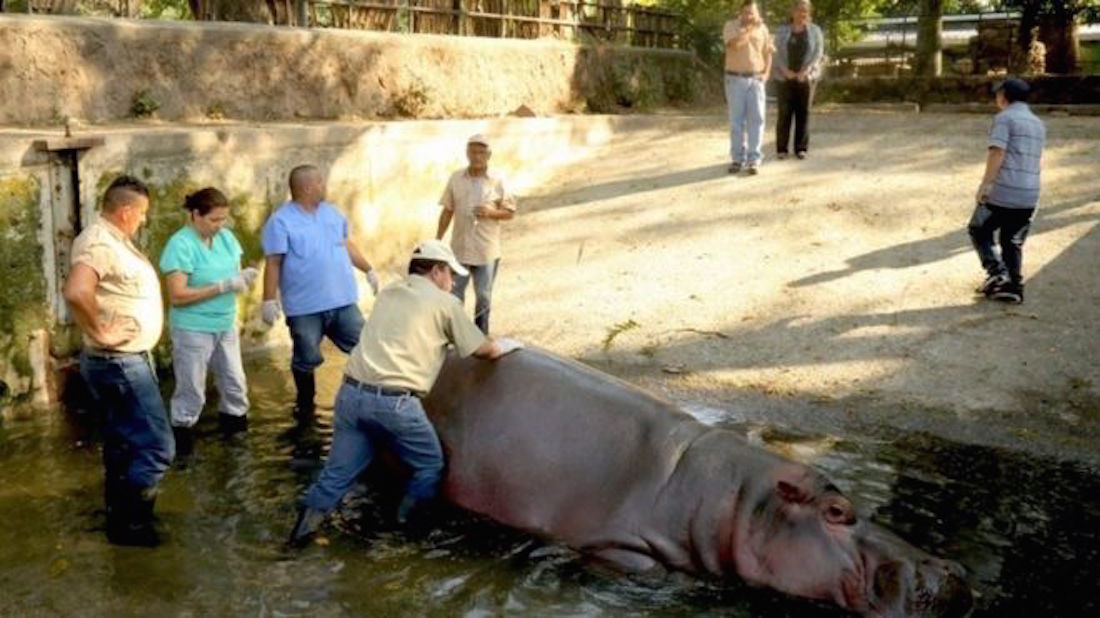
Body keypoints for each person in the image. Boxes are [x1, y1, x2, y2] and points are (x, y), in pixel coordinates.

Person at [288, 240, 523, 546]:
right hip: (394, 404)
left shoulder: (389, 293)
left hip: (350, 396)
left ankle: (295, 542)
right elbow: (484, 350)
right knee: (429, 465)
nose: (452, 282)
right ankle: (405, 533)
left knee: (334, 478)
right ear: (437, 271)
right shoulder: (445, 304)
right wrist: (509, 344)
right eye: (451, 274)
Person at [62, 175, 174, 546]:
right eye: (141, 214)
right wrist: (102, 331)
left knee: (123, 443)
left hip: (119, 360)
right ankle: (133, 523)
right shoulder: (98, 242)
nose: (143, 220)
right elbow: (77, 291)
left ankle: (117, 521)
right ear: (125, 211)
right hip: (119, 361)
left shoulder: (114, 239)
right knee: (158, 446)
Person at [261, 165, 381, 418]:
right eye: (320, 183)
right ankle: (305, 404)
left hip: (342, 301)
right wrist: (269, 300)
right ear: (307, 188)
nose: (324, 186)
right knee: (306, 358)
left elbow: (346, 244)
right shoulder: (281, 221)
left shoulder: (333, 214)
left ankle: (373, 398)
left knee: (366, 348)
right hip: (304, 307)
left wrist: (368, 269)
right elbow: (274, 262)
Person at [159, 188, 258, 457]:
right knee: (192, 391)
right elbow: (177, 296)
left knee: (235, 384)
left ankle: (236, 445)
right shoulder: (181, 244)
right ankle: (183, 447)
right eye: (214, 220)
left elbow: (233, 275)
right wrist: (222, 286)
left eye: (224, 219)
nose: (220, 225)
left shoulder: (227, 239)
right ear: (195, 215)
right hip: (193, 328)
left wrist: (243, 278)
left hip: (225, 324)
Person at [968, 78, 1045, 304]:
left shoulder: (1004, 119)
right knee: (1012, 240)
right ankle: (1014, 286)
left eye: (997, 94)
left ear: (1004, 96)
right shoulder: (1037, 123)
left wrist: (986, 185)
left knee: (978, 228)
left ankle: (997, 272)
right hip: (1029, 193)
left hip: (1004, 191)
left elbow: (997, 152)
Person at [435, 134, 517, 334]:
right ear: (466, 153)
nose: (477, 156)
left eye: (481, 152)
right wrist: (437, 239)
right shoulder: (456, 178)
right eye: (473, 151)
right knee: (453, 295)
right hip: (459, 250)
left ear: (489, 155)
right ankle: (456, 336)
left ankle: (480, 337)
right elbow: (447, 210)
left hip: (486, 251)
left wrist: (490, 213)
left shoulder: (498, 180)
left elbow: (510, 212)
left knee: (483, 296)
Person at [723, 0, 773, 175]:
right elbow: (734, 45)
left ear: (757, 13)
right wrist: (750, 29)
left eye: (752, 12)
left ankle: (754, 159)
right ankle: (737, 159)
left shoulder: (764, 29)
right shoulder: (730, 26)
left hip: (756, 79)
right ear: (740, 13)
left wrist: (766, 74)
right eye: (746, 12)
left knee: (757, 121)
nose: (749, 16)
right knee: (737, 122)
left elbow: (768, 52)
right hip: (735, 79)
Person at [772, 0, 824, 160]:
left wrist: (806, 71)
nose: (802, 14)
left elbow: (818, 53)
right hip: (784, 76)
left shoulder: (815, 31)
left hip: (806, 77)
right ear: (792, 12)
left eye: (805, 11)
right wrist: (785, 70)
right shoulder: (781, 31)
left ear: (809, 13)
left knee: (804, 113)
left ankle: (801, 148)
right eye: (799, 10)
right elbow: (774, 53)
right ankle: (782, 149)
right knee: (784, 113)